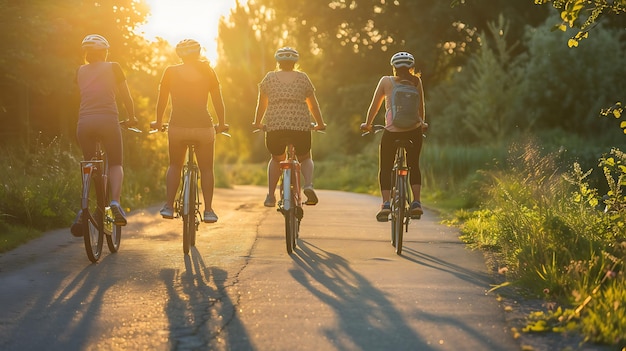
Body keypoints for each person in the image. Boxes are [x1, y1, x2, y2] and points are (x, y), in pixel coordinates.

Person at [151, 39, 228, 223]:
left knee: (175, 166)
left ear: (179, 55)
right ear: (198, 53)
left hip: (177, 127)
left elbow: (162, 101)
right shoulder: (207, 71)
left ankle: (169, 206)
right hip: (203, 128)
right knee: (207, 169)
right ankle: (208, 210)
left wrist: (159, 122)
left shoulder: (170, 71)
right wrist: (222, 124)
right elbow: (218, 102)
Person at [73, 34, 137, 235]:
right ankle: (115, 202)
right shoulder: (114, 67)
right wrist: (132, 117)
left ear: (87, 54)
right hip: (108, 121)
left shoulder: (79, 71)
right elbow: (126, 96)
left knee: (89, 165)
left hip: (84, 124)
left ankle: (85, 206)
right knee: (116, 163)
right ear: (105, 52)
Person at [252, 47, 326, 207]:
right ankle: (308, 185)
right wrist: (320, 123)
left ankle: (270, 196)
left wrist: (257, 122)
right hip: (300, 126)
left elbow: (261, 105)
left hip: (275, 127)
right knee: (305, 157)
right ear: (295, 63)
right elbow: (313, 105)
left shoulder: (269, 78)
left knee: (276, 158)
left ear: (278, 62)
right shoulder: (303, 78)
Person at [360, 51, 428, 222]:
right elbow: (421, 107)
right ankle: (417, 203)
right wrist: (422, 123)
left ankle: (386, 204)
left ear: (394, 67)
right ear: (412, 68)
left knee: (385, 166)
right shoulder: (416, 81)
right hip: (414, 130)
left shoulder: (385, 81)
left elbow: (374, 106)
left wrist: (368, 124)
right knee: (414, 164)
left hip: (392, 131)